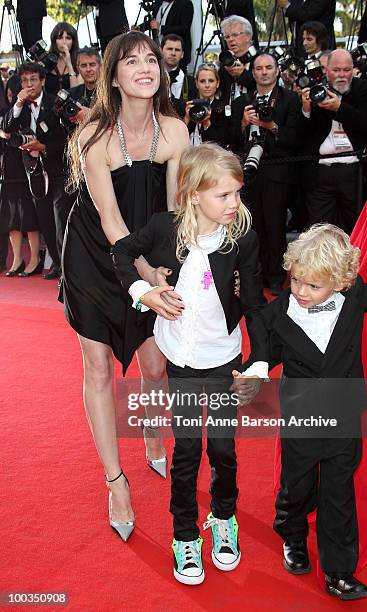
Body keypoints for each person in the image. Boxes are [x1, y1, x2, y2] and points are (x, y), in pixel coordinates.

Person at [110, 143, 268, 584]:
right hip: (179, 357)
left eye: (238, 193)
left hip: (224, 360)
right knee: (186, 451)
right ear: (193, 194)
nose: (234, 204)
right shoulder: (164, 228)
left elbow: (255, 303)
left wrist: (259, 362)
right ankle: (184, 536)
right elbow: (121, 253)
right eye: (224, 195)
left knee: (222, 447)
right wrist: (145, 291)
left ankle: (223, 520)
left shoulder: (243, 239)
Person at [59, 31, 189, 540]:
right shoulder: (94, 138)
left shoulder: (175, 132)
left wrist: (165, 271)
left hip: (150, 245)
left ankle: (153, 431)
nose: (144, 67)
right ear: (112, 76)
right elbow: (112, 223)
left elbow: (174, 213)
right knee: (97, 366)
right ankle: (116, 482)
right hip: (95, 254)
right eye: (131, 61)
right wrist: (145, 280)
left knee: (156, 365)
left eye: (151, 60)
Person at [244, 224, 367, 600]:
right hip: (301, 417)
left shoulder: (356, 297)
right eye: (296, 280)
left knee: (338, 494)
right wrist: (257, 367)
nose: (301, 292)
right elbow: (263, 340)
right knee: (296, 485)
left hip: (345, 417)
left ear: (342, 281)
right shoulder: (280, 310)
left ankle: (339, 571)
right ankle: (292, 533)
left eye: (314, 286)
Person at [231, 52, 302, 296]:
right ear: (253, 72)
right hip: (248, 173)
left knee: (275, 227)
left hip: (277, 171)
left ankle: (275, 275)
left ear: (276, 71)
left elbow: (295, 138)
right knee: (253, 226)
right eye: (259, 68)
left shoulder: (289, 100)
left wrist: (271, 126)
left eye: (268, 67)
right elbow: (231, 140)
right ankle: (256, 274)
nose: (263, 72)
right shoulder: (242, 101)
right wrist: (242, 123)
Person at [3, 61, 70, 279]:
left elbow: (68, 139)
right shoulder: (19, 106)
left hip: (58, 168)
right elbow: (6, 129)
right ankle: (57, 263)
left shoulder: (55, 103)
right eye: (24, 80)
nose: (29, 84)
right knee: (44, 219)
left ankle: (65, 265)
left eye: (33, 79)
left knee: (59, 217)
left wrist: (44, 148)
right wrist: (19, 102)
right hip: (33, 173)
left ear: (42, 81)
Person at [300, 48, 367, 234]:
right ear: (326, 71)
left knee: (355, 230)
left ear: (353, 70)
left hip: (354, 172)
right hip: (321, 173)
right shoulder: (317, 90)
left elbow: (364, 122)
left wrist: (339, 107)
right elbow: (303, 136)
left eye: (346, 70)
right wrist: (306, 109)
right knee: (320, 231)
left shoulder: (362, 89)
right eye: (336, 70)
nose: (342, 75)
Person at [183, 63, 228, 147]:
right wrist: (187, 118)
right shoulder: (188, 106)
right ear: (196, 84)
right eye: (202, 81)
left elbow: (220, 143)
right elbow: (178, 138)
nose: (207, 85)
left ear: (217, 83)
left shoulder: (224, 109)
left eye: (211, 81)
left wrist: (206, 123)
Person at [219, 16, 255, 106]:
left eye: (235, 35)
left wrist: (242, 74)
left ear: (248, 36)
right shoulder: (226, 62)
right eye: (227, 37)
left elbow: (265, 86)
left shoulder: (261, 59)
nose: (230, 39)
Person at [149, 0, 194, 71]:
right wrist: (139, 27)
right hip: (158, 51)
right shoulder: (158, 4)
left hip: (177, 56)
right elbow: (153, 22)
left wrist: (161, 28)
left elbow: (184, 28)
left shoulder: (185, 3)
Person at [160, 34, 196, 118]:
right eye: (169, 49)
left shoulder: (191, 82)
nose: (173, 53)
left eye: (177, 50)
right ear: (160, 51)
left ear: (182, 54)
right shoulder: (152, 79)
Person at [45, 22, 83, 95]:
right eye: (60, 38)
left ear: (73, 41)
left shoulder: (80, 61)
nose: (64, 42)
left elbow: (76, 93)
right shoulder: (47, 60)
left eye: (68, 38)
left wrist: (69, 65)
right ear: (54, 41)